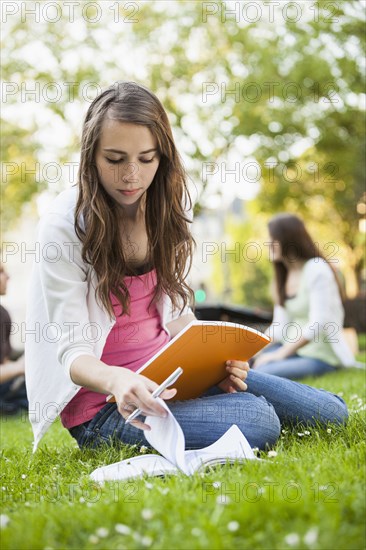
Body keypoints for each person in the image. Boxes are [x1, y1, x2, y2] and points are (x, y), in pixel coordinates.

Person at [25, 82, 348, 453]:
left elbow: (177, 316)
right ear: (90, 157)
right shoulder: (64, 225)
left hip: (175, 373)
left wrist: (215, 362)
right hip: (109, 407)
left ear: (162, 156)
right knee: (259, 420)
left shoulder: (169, 206)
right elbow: (72, 353)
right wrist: (117, 380)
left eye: (146, 159)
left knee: (330, 414)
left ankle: (230, 402)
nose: (132, 175)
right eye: (115, 159)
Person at [252, 213, 356, 379]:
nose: (268, 244)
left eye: (273, 238)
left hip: (320, 356)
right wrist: (250, 351)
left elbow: (318, 323)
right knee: (245, 366)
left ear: (289, 239)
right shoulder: (283, 276)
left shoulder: (317, 269)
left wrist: (279, 355)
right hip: (292, 351)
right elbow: (279, 327)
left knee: (260, 374)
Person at [0, 263, 28, 414]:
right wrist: (20, 367)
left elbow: (3, 361)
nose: (8, 277)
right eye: (1, 272)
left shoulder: (3, 314)